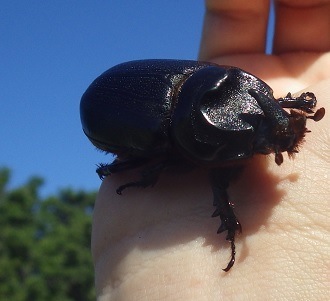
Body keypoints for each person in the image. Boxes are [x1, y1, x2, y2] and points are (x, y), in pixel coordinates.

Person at [92, 1, 330, 300]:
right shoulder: (196, 135)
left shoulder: (235, 85)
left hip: (188, 85)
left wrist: (287, 107)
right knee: (168, 167)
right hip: (115, 110)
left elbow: (256, 97)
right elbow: (206, 179)